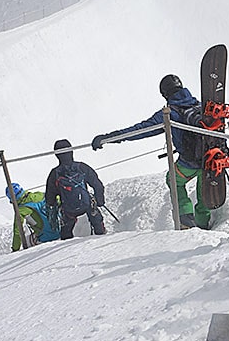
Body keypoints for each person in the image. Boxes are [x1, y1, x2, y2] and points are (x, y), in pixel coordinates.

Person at [92, 74, 215, 229]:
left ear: (165, 94)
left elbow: (140, 130)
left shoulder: (170, 113)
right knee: (203, 183)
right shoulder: (200, 106)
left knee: (173, 179)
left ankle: (186, 219)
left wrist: (110, 138)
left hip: (189, 164)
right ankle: (203, 221)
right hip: (210, 159)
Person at [44, 139, 108, 238]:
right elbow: (97, 184)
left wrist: (53, 204)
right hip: (86, 204)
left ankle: (66, 244)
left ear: (57, 155)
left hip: (68, 209)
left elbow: (49, 197)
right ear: (71, 151)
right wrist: (100, 200)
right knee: (95, 217)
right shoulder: (82, 167)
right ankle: (101, 234)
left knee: (66, 227)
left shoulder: (55, 173)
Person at [8, 182, 60, 251]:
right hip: (61, 229)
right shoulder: (39, 195)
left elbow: (17, 232)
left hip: (46, 237)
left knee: (28, 241)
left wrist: (15, 249)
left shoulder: (20, 210)